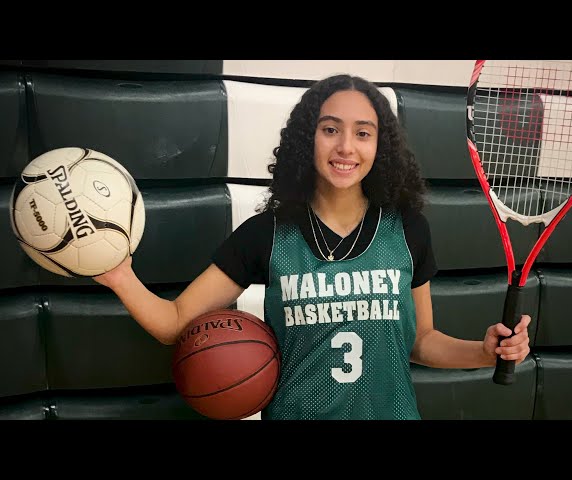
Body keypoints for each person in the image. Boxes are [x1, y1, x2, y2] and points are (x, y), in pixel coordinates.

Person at [94, 74, 531, 420]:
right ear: (309, 138)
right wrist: (119, 276)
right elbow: (174, 323)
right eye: (330, 129)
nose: (345, 147)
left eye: (363, 133)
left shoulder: (408, 231)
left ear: (380, 147)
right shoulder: (265, 234)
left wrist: (483, 349)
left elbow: (420, 342)